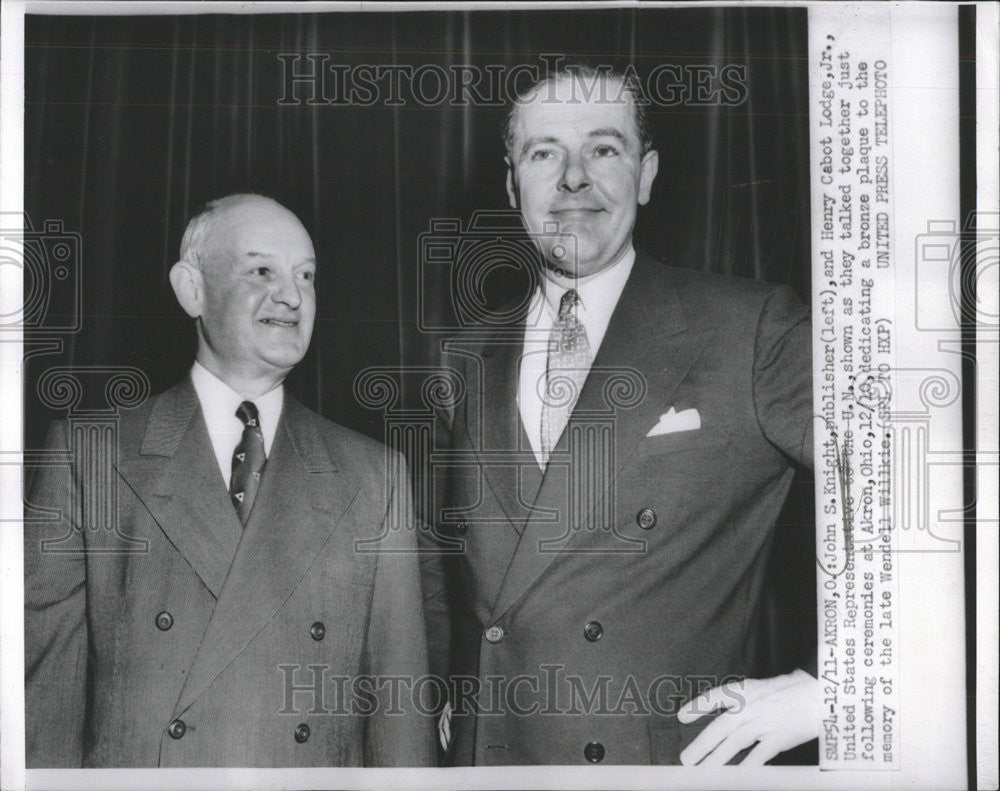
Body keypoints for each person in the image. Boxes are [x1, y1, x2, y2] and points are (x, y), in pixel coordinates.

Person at [423, 65, 818, 766]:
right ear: (513, 185)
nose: (574, 178)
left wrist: (839, 690)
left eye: (603, 149)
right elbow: (435, 564)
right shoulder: (462, 358)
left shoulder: (750, 328)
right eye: (544, 153)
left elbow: (917, 493)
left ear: (646, 174)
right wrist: (443, 699)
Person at [24, 194, 434, 767]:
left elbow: (401, 719)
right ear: (192, 288)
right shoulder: (88, 454)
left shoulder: (376, 475)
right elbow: (43, 711)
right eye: (261, 270)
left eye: (306, 276)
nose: (291, 296)